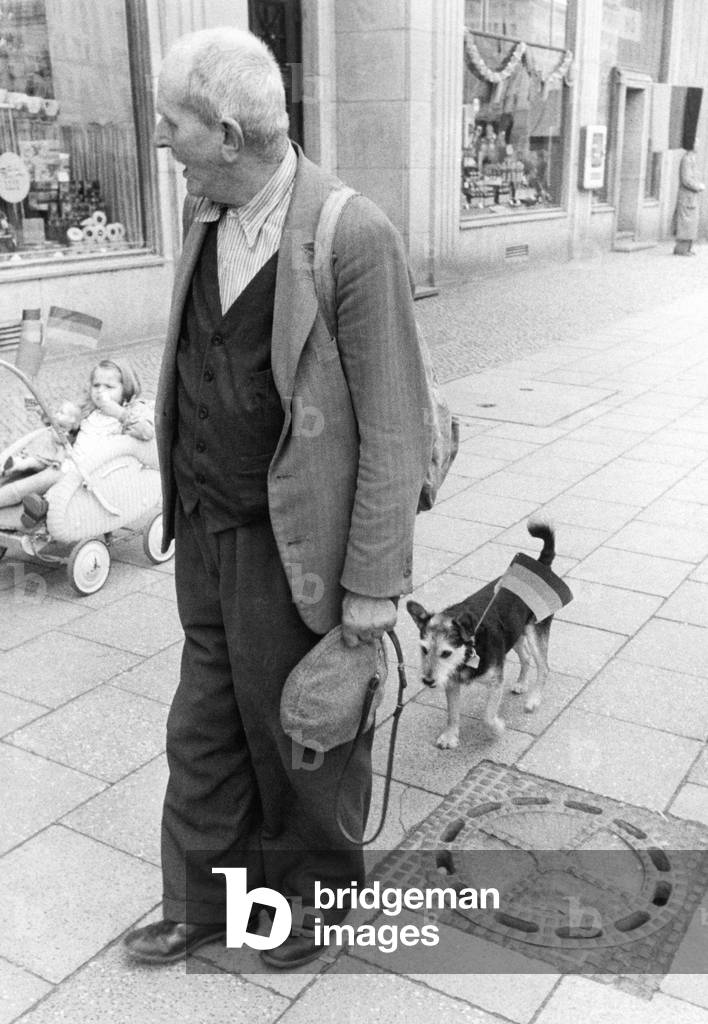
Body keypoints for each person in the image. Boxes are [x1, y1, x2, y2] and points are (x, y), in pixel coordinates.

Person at [122, 26, 434, 971]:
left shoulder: (352, 234)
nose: (161, 140)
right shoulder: (204, 209)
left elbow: (394, 429)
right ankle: (203, 901)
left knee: (305, 731)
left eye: (172, 123)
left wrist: (371, 597)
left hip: (298, 545)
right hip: (207, 531)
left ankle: (313, 900)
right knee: (204, 726)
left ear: (226, 133)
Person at [3, 358, 153, 517]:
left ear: (126, 389)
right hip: (67, 462)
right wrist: (42, 410)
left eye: (109, 387)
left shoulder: (128, 414)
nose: (100, 391)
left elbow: (146, 432)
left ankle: (35, 503)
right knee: (34, 467)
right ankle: (24, 478)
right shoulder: (90, 410)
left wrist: (119, 413)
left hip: (88, 475)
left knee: (22, 487)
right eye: (96, 385)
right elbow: (63, 422)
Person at [674, 138, 705, 255]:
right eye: (696, 143)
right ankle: (681, 249)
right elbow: (686, 180)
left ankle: (687, 248)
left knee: (691, 223)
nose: (698, 145)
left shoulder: (692, 159)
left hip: (691, 197)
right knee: (686, 223)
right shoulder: (686, 159)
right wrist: (699, 186)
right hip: (686, 197)